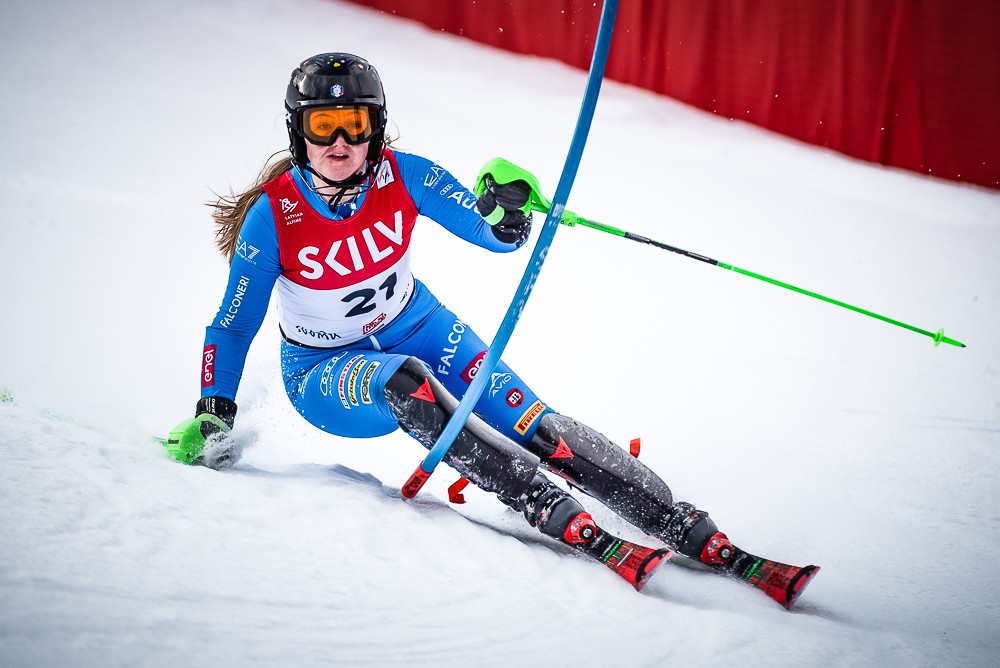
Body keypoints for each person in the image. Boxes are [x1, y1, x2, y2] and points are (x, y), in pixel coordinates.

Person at [166, 53, 817, 606]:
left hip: (422, 326)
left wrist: (508, 209)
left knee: (536, 423)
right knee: (406, 384)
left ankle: (679, 523)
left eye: (354, 125)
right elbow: (233, 325)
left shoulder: (406, 174)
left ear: (375, 128)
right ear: (298, 131)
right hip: (323, 372)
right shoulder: (272, 216)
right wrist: (213, 410)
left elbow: (493, 232)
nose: (339, 142)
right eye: (322, 125)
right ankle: (544, 505)